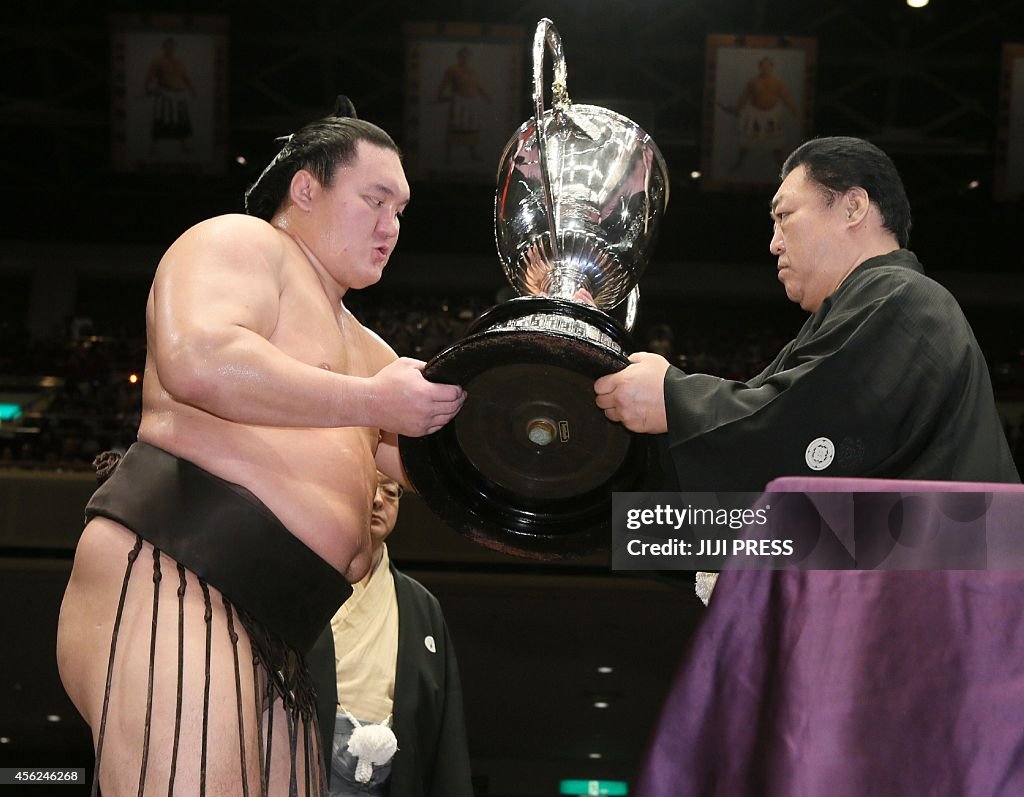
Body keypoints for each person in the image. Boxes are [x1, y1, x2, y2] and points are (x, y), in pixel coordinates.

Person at [55, 105, 466, 797]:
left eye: (401, 210)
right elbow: (199, 359)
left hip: (287, 630)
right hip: (182, 572)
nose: (391, 226)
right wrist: (372, 402)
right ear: (306, 189)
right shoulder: (241, 244)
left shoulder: (369, 349)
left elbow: (441, 469)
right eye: (375, 200)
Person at [595, 135, 1020, 488]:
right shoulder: (849, 316)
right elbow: (759, 417)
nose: (774, 243)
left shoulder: (904, 300)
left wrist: (673, 396)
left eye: (784, 216)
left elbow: (790, 427)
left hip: (944, 581)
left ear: (853, 207)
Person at [308, 471, 473, 796]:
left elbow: (445, 728)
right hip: (305, 757)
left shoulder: (421, 606)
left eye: (391, 492)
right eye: (369, 486)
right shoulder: (303, 581)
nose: (379, 500)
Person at [436, 46, 491, 164]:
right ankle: (448, 156)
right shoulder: (453, 70)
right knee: (455, 127)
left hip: (471, 104)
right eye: (463, 56)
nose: (465, 58)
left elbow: (477, 86)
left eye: (467, 56)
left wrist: (486, 97)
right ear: (459, 57)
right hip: (458, 102)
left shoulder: (471, 71)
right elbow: (444, 84)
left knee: (471, 128)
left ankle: (473, 153)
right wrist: (440, 96)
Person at [143, 37, 197, 153]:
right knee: (160, 120)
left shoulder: (180, 61)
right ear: (164, 47)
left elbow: (185, 77)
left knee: (182, 121)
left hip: (180, 95)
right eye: (168, 46)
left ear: (175, 48)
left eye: (172, 46)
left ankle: (184, 145)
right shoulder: (157, 61)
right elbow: (149, 76)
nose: (170, 49)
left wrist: (192, 90)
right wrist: (147, 89)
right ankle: (153, 146)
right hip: (164, 94)